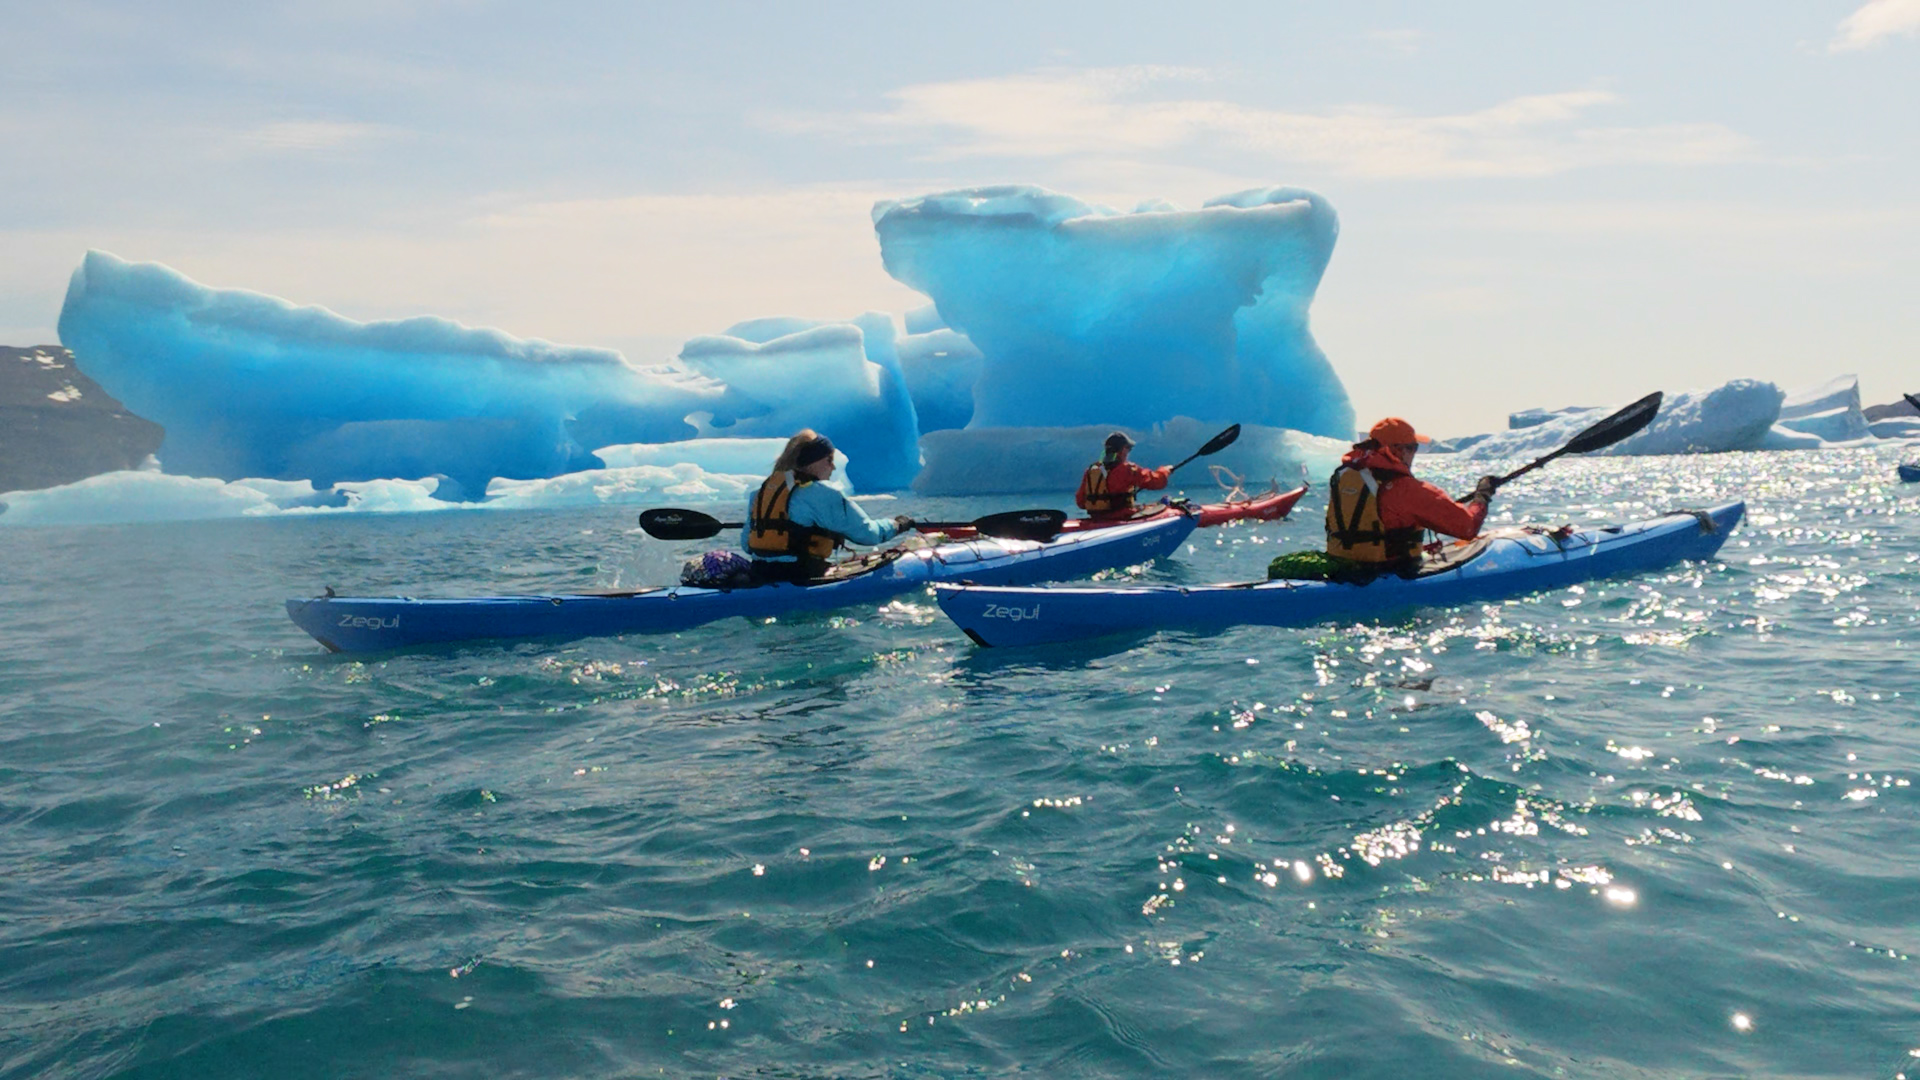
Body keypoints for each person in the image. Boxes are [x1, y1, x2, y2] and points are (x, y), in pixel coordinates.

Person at [1322, 417, 1501, 575]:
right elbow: (1467, 527)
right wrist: (1482, 495)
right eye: (1413, 448)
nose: (1414, 454)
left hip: (1346, 565)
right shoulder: (1407, 489)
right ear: (1397, 450)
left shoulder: (1347, 475)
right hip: (1388, 569)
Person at [742, 430, 914, 584]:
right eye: (829, 460)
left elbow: (746, 545)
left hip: (761, 574)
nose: (833, 467)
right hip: (803, 576)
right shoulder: (822, 494)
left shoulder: (760, 493)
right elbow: (868, 534)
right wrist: (898, 524)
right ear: (812, 462)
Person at [1075, 432, 1172, 520]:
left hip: (1097, 519)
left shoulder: (1091, 471)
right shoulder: (1128, 469)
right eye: (1128, 448)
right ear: (1122, 450)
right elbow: (1157, 482)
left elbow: (1080, 502)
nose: (1128, 453)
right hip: (1121, 517)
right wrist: (1164, 471)